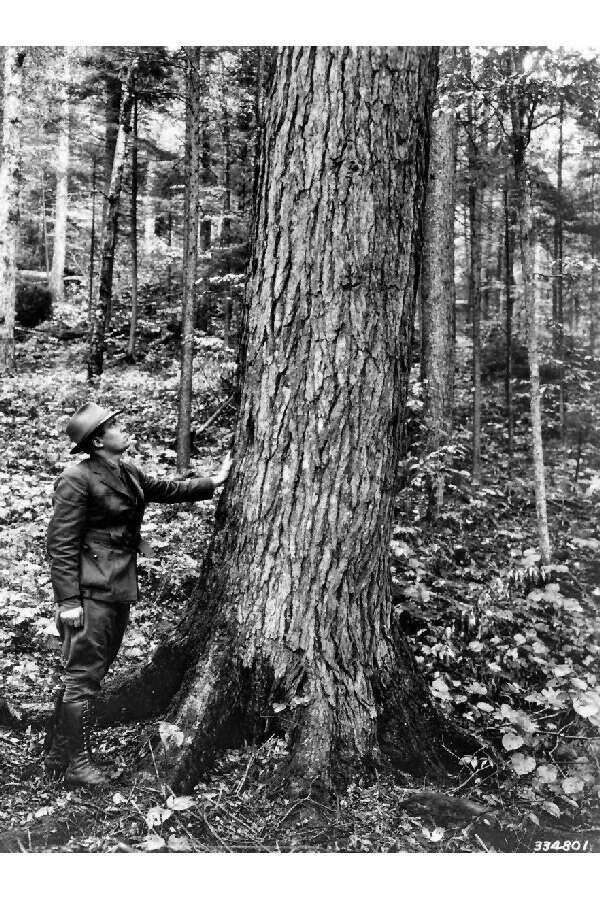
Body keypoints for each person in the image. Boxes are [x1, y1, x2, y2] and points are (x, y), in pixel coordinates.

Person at [44, 401, 231, 787]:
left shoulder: (126, 470)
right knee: (82, 678)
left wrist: (213, 481)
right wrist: (68, 603)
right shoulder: (76, 479)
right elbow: (60, 544)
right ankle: (77, 765)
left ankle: (58, 753)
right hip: (88, 594)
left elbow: (163, 489)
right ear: (97, 442)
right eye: (114, 426)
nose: (122, 428)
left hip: (117, 586)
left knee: (91, 675)